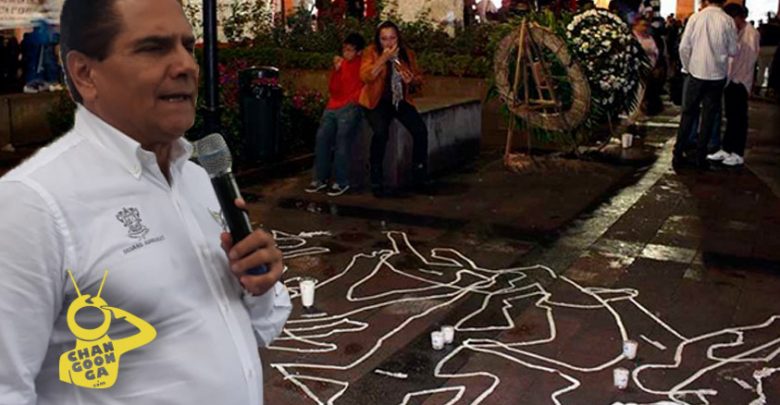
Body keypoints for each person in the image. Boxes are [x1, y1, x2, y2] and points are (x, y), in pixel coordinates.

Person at [0, 1, 290, 404]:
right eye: (154, 48)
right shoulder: (32, 205)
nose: (186, 65)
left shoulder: (200, 179)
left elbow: (258, 327)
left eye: (188, 45)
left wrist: (259, 286)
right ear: (85, 73)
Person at [359, 21, 428, 197]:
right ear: (378, 40)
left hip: (400, 99)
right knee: (381, 132)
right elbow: (366, 76)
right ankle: (376, 178)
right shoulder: (371, 52)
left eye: (392, 38)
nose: (388, 43)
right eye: (384, 39)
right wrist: (383, 59)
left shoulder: (406, 53)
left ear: (398, 38)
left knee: (420, 131)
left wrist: (411, 80)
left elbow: (419, 78)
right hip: (377, 100)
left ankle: (419, 176)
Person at [673, 0, 737, 170]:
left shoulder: (696, 18)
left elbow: (683, 47)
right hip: (717, 75)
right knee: (709, 117)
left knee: (688, 114)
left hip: (696, 72)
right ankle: (701, 157)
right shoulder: (728, 20)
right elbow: (733, 50)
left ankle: (678, 153)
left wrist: (687, 66)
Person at [305, 33, 365, 197]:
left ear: (358, 52)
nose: (346, 53)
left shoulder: (361, 65)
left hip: (350, 105)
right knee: (322, 138)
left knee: (342, 141)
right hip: (334, 105)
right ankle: (320, 178)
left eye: (350, 50)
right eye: (344, 49)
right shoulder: (342, 64)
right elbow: (333, 89)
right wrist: (337, 71)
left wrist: (354, 100)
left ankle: (341, 181)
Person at [707, 4, 760, 167]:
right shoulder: (738, 31)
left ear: (739, 17)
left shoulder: (751, 34)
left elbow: (747, 61)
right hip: (731, 80)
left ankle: (737, 152)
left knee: (739, 117)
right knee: (731, 117)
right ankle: (727, 148)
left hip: (740, 81)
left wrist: (736, 79)